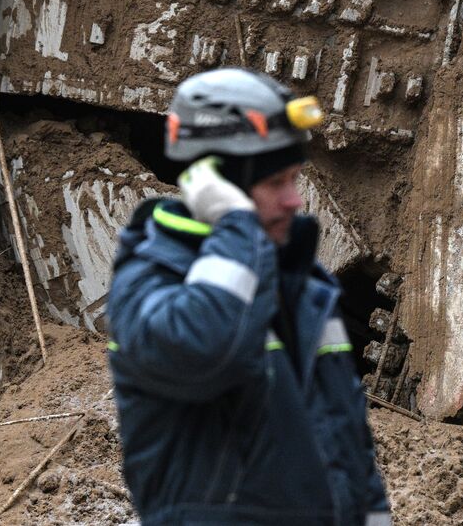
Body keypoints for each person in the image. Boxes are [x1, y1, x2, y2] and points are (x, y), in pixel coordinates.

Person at [106, 67, 391, 525]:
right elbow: (208, 351)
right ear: (219, 186)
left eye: (295, 179)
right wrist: (236, 226)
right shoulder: (149, 281)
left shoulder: (303, 283)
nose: (295, 201)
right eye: (276, 182)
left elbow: (344, 436)